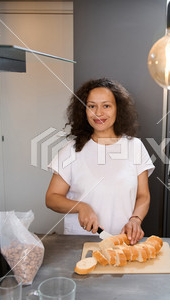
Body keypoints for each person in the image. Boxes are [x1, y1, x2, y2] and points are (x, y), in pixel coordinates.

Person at [46, 78, 154, 245]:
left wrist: (135, 220)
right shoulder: (71, 150)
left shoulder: (135, 147)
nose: (98, 112)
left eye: (106, 106)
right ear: (84, 110)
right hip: (79, 244)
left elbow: (143, 195)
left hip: (122, 241)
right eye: (91, 106)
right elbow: (52, 198)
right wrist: (81, 206)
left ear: (118, 109)